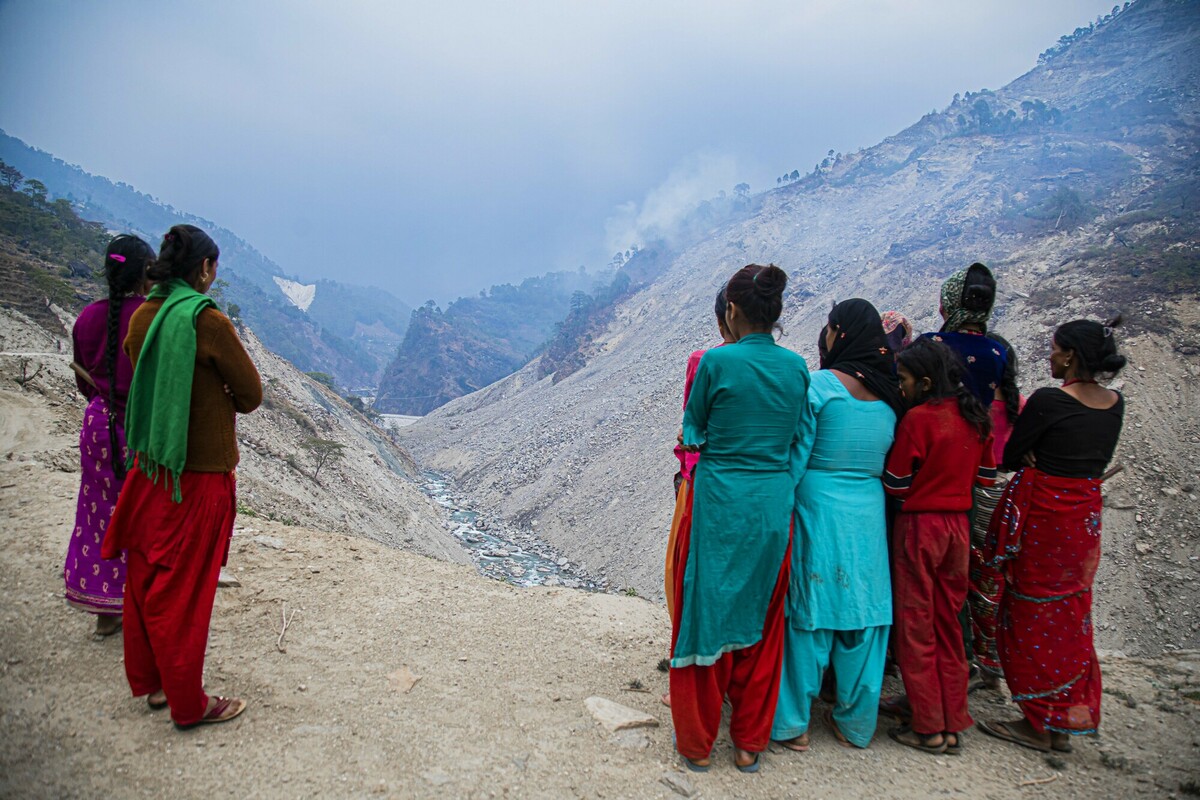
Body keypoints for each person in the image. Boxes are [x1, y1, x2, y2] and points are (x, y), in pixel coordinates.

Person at [102, 224, 262, 728]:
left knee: (148, 572)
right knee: (187, 590)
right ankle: (188, 704)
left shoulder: (143, 315)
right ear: (206, 268)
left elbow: (137, 365)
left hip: (151, 465)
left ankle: (154, 686)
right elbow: (252, 394)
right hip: (198, 477)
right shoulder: (205, 321)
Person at [670, 264, 811, 773]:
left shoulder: (715, 362)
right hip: (774, 505)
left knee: (706, 613)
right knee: (763, 617)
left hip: (721, 503)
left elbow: (693, 431)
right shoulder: (797, 369)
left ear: (731, 309)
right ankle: (750, 742)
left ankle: (696, 743)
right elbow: (796, 433)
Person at [975, 317, 1126, 753]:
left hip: (1043, 520)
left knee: (1028, 612)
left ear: (1072, 355)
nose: (1051, 356)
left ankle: (1038, 722)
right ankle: (1064, 716)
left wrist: (1037, 458)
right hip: (1082, 521)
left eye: (1056, 349)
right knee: (1071, 611)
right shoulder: (1115, 404)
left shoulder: (1047, 401)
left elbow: (1015, 455)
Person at [772, 299, 903, 751]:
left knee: (810, 611)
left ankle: (792, 724)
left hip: (817, 505)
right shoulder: (892, 396)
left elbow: (796, 452)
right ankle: (857, 725)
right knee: (864, 613)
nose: (824, 336)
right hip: (868, 511)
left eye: (829, 328)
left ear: (840, 334)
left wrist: (778, 506)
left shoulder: (821, 386)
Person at [883, 337, 995, 755]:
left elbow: (895, 482)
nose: (902, 388)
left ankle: (928, 726)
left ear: (926, 382)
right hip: (958, 530)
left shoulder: (918, 420)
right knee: (949, 621)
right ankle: (952, 721)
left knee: (916, 624)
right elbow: (987, 478)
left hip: (920, 527)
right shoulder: (976, 418)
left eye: (906, 380)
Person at [63, 235, 154, 637]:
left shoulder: (86, 318)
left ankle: (104, 610)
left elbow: (82, 375)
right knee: (147, 516)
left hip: (98, 426)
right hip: (142, 428)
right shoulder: (152, 317)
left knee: (100, 514)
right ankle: (145, 607)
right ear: (146, 272)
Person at [666, 287, 735, 616]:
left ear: (727, 317)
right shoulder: (788, 366)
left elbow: (691, 426)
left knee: (691, 568)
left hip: (703, 482)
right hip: (762, 492)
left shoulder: (703, 360)